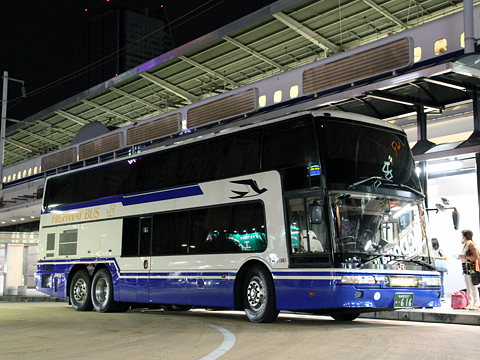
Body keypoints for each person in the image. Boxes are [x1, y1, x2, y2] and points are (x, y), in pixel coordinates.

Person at [458, 229, 480, 310]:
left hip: (471, 268)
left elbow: (476, 256)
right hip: (466, 267)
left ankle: (476, 303)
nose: (462, 237)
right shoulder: (466, 245)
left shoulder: (471, 245)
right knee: (468, 286)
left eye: (463, 235)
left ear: (465, 236)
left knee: (473, 286)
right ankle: (470, 303)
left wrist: (465, 257)